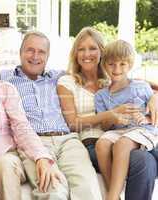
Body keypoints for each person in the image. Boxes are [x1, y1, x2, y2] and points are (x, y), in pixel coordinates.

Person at [0, 35, 68, 200]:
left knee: (3, 165)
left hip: (6, 157)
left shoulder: (4, 90)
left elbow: (22, 128)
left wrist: (42, 157)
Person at [57, 27, 158, 200]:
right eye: (81, 49)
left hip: (128, 133)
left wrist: (155, 97)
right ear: (75, 53)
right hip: (94, 141)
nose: (86, 54)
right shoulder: (67, 81)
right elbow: (73, 123)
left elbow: (145, 87)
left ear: (103, 53)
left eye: (92, 48)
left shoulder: (113, 77)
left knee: (145, 157)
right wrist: (111, 114)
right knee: (143, 161)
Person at [0, 31, 102, 200]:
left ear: (48, 56)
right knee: (53, 190)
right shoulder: (4, 78)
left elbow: (119, 79)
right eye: (30, 50)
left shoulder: (59, 77)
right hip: (34, 143)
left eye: (41, 52)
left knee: (86, 187)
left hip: (68, 140)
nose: (35, 56)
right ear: (20, 52)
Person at [95, 40, 158, 200]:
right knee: (101, 144)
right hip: (119, 131)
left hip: (143, 130)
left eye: (122, 64)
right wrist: (114, 117)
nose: (116, 69)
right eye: (111, 64)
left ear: (130, 65)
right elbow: (105, 126)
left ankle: (111, 197)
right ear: (104, 65)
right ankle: (115, 194)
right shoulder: (101, 95)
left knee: (122, 144)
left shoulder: (141, 87)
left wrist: (145, 117)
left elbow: (154, 116)